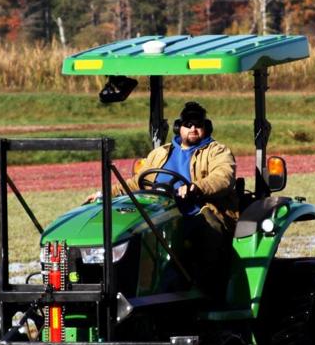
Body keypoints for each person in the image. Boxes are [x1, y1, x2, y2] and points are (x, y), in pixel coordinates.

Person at [94, 101, 238, 296]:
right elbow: (137, 182)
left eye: (198, 125)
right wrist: (105, 194)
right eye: (188, 124)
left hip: (198, 210)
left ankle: (208, 293)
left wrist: (196, 187)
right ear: (179, 127)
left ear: (207, 128)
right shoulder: (160, 153)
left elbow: (223, 177)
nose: (193, 129)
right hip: (159, 211)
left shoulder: (217, 151)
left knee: (210, 233)